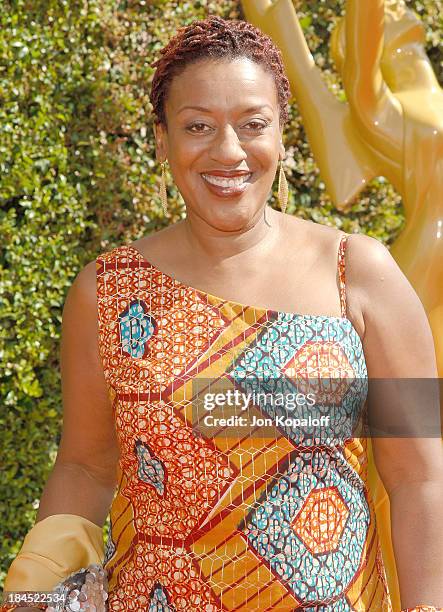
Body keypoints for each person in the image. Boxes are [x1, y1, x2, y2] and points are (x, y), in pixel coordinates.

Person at [2, 15, 442, 612]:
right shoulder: (104, 293)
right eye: (198, 126)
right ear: (162, 140)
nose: (229, 151)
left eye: (253, 124)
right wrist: (38, 595)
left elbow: (422, 475)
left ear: (282, 135)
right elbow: (83, 467)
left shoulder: (364, 275)